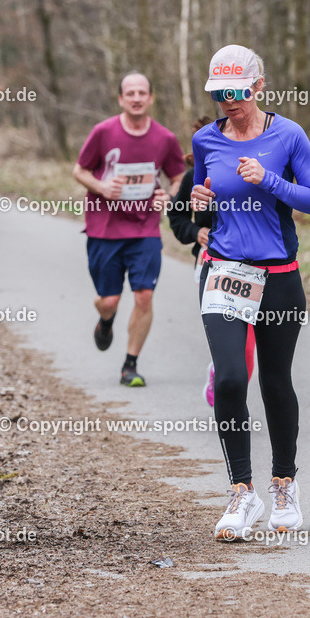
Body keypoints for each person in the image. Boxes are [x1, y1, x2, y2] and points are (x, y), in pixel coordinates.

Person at [190, 44, 310, 540]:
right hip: (225, 272)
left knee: (274, 382)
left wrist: (268, 179)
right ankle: (240, 494)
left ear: (258, 86)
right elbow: (205, 205)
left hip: (279, 277)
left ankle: (283, 485)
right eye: (218, 93)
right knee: (228, 378)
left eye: (236, 92)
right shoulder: (206, 139)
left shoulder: (288, 135)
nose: (228, 101)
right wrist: (197, 201)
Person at [73, 72, 186, 387]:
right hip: (104, 229)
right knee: (109, 300)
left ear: (150, 98)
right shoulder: (103, 132)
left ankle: (130, 365)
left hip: (144, 229)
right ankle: (105, 321)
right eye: (130, 93)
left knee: (144, 296)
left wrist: (170, 195)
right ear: (121, 99)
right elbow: (79, 170)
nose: (136, 98)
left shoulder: (164, 139)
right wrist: (102, 187)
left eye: (142, 93)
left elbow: (177, 177)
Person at [167, 116, 256, 407]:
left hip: (255, 264)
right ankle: (226, 384)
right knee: (232, 333)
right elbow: (177, 216)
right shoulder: (194, 175)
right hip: (211, 263)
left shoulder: (252, 169)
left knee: (248, 344)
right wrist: (197, 231)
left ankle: (229, 387)